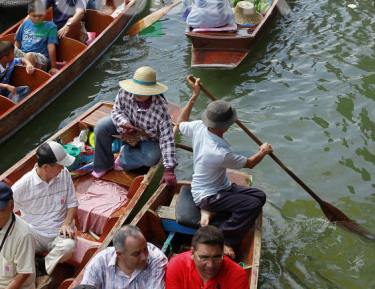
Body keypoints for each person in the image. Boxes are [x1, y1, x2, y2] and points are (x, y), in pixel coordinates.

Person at [175, 100, 272, 258]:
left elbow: (180, 123)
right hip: (208, 195)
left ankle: (211, 211)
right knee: (252, 205)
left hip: (218, 187)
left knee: (260, 196)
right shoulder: (219, 153)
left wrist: (194, 97)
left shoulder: (199, 125)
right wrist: (263, 151)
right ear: (226, 126)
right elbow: (251, 163)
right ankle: (225, 238)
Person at [92, 66, 190, 185]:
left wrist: (169, 168)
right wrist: (125, 124)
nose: (138, 94)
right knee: (100, 127)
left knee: (151, 157)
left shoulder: (160, 108)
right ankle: (104, 165)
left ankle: (123, 157)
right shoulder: (124, 92)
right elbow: (117, 111)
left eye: (143, 92)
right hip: (127, 129)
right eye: (136, 90)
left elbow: (167, 138)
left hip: (148, 138)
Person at [11, 141, 78, 279]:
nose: (63, 168)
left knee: (68, 248)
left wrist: (66, 223)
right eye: (60, 166)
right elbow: (6, 212)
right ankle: (36, 266)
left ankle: (40, 264)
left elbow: (72, 203)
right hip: (34, 234)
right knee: (11, 246)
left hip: (59, 232)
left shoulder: (64, 174)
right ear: (46, 167)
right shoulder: (22, 185)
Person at [80, 225, 168, 288]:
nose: (145, 257)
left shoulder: (156, 260)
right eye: (136, 254)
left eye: (145, 248)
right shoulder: (100, 261)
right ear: (120, 254)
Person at [165, 226, 249, 289]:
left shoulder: (237, 275)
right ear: (193, 253)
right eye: (204, 258)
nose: (211, 265)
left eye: (217, 257)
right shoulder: (176, 266)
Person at [13, 0, 59, 75]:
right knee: (5, 48)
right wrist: (14, 53)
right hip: (24, 55)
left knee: (29, 56)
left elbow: (51, 47)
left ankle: (28, 80)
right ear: (29, 15)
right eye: (34, 16)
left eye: (40, 15)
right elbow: (17, 43)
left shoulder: (51, 26)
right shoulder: (25, 23)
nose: (37, 19)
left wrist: (53, 66)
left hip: (41, 59)